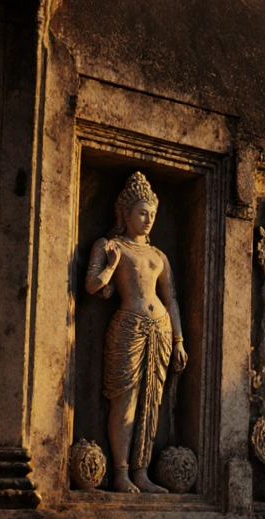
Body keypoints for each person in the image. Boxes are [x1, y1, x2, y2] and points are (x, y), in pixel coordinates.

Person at [85, 172, 187, 494]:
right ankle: (121, 472)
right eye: (143, 212)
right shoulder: (110, 246)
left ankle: (142, 472)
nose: (148, 219)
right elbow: (92, 286)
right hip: (128, 326)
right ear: (126, 213)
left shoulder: (159, 256)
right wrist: (111, 267)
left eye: (153, 214)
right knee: (125, 401)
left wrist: (179, 340)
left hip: (161, 330)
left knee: (150, 403)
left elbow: (170, 299)